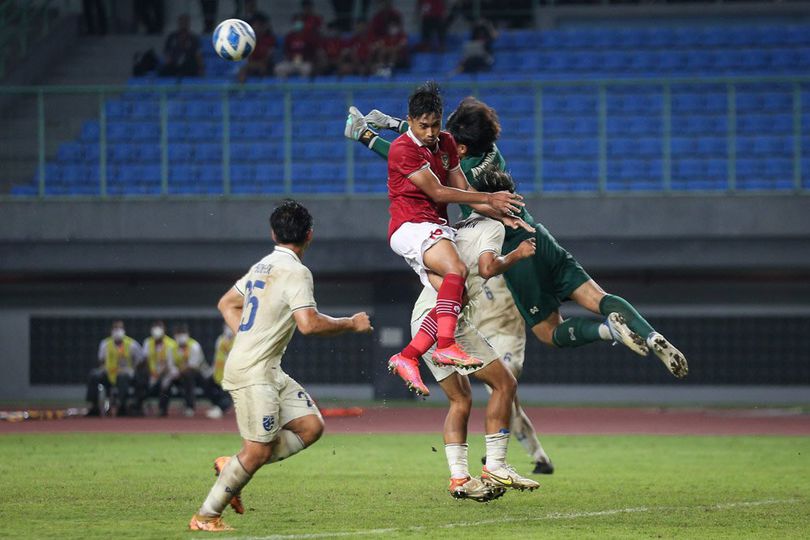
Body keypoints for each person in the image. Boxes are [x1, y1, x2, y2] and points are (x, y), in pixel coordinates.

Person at [345, 98, 688, 378]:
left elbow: (414, 163)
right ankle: (650, 334)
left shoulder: (459, 170)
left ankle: (607, 332)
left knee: (548, 332)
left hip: (512, 246)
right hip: (538, 233)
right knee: (599, 296)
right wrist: (392, 123)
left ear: (461, 148)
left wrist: (369, 137)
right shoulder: (492, 151)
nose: (440, 136)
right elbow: (429, 143)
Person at [188, 199, 373, 532]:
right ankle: (206, 516)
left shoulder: (263, 265)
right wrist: (351, 323)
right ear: (310, 236)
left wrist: (247, 335)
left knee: (310, 427)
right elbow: (309, 323)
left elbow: (226, 303)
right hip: (253, 372)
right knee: (256, 452)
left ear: (273, 232)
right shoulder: (296, 271)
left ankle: (233, 467)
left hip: (268, 368)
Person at [345, 81, 527, 397]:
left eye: (435, 124)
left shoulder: (445, 143)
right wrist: (492, 198)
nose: (430, 132)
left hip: (435, 227)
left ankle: (408, 356)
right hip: (411, 226)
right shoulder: (402, 149)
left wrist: (499, 212)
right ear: (411, 121)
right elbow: (439, 191)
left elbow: (464, 193)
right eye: (423, 126)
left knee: (458, 298)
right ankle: (446, 345)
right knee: (457, 269)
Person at [408, 176, 541, 498]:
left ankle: (459, 479)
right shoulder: (493, 228)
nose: (513, 207)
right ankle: (496, 464)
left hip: (423, 315)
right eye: (511, 200)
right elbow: (486, 267)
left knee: (460, 399)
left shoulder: (459, 224)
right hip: (449, 321)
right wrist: (518, 254)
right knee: (505, 384)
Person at [85, 320, 144, 417]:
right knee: (94, 374)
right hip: (109, 373)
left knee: (123, 377)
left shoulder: (132, 344)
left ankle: (122, 406)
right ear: (111, 331)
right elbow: (101, 360)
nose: (117, 331)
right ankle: (94, 406)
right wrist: (104, 368)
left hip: (125, 373)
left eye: (120, 328)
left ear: (124, 330)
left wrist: (133, 368)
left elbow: (141, 359)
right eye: (115, 328)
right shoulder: (105, 344)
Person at [133, 320, 179, 417]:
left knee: (166, 384)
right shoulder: (148, 342)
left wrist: (160, 375)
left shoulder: (171, 344)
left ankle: (162, 409)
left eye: (159, 327)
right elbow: (144, 360)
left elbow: (171, 363)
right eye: (155, 327)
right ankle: (137, 407)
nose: (157, 330)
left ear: (164, 330)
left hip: (166, 373)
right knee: (141, 380)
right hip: (151, 374)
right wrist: (151, 374)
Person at [172, 323, 206, 417]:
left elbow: (192, 366)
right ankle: (162, 409)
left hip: (196, 375)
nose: (180, 336)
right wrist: (174, 371)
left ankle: (190, 407)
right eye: (178, 334)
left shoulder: (194, 346)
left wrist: (179, 371)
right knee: (166, 383)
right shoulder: (172, 347)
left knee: (189, 377)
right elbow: (171, 364)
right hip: (177, 375)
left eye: (183, 333)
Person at [205, 324, 236, 419]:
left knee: (228, 394)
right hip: (219, 372)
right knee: (207, 384)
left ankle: (220, 409)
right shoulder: (220, 339)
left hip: (232, 374)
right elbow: (217, 356)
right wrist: (212, 370)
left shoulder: (239, 340)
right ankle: (216, 404)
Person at [238, 14, 276, 83]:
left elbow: (269, 57)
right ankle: (242, 91)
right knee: (243, 70)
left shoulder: (270, 39)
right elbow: (249, 58)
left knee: (262, 69)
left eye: (258, 25)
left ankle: (263, 91)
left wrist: (261, 64)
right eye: (255, 25)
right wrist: (254, 64)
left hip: (266, 65)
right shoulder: (250, 40)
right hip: (254, 64)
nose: (256, 28)